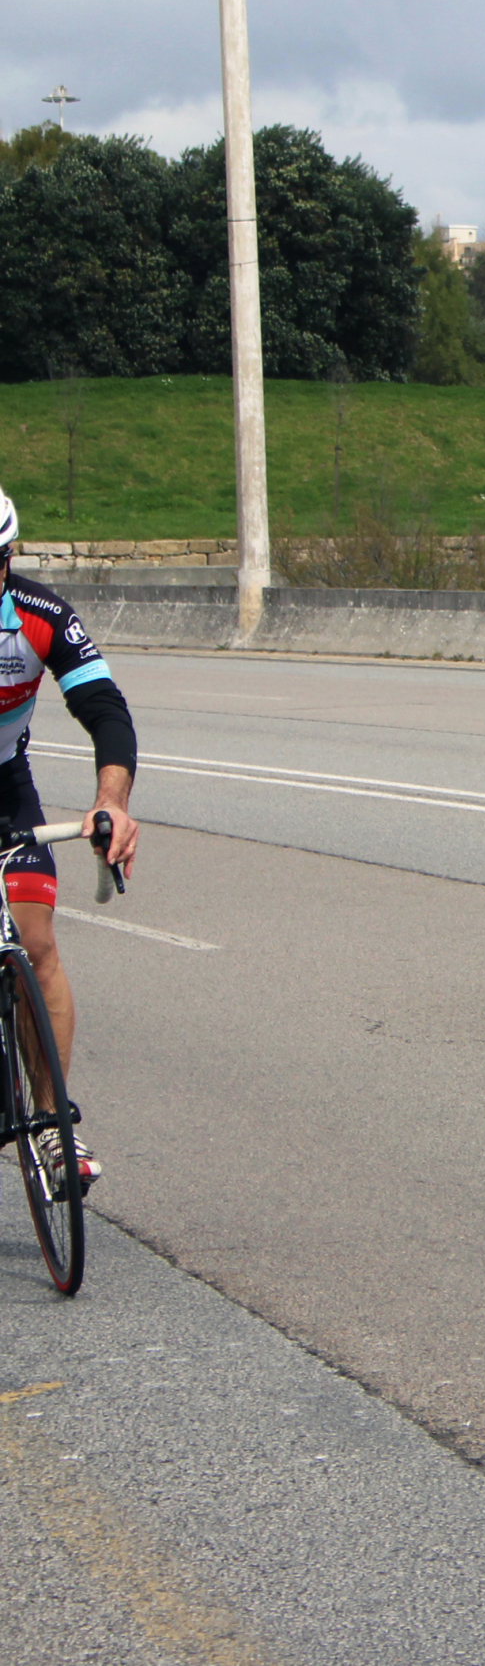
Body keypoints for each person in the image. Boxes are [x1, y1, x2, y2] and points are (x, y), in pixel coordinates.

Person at [0, 488, 140, 1191]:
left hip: (4, 790)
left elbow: (105, 708)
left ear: (9, 556)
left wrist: (109, 801)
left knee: (37, 944)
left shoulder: (38, 615)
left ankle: (53, 1128)